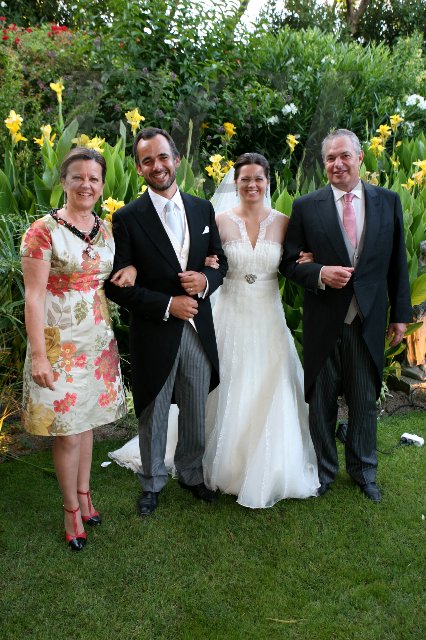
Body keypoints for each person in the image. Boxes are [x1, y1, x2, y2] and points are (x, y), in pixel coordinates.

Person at [110, 152, 319, 509]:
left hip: (268, 318)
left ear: (268, 181)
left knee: (269, 388)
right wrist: (203, 270)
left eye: (258, 178)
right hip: (228, 316)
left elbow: (293, 259)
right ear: (235, 182)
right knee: (212, 391)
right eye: (245, 178)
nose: (252, 184)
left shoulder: (285, 223)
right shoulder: (217, 219)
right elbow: (203, 258)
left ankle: (258, 464)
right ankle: (187, 468)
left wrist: (309, 258)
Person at [280, 129, 412, 503]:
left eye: (344, 156)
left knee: (363, 400)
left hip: (367, 319)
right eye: (330, 158)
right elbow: (288, 263)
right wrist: (320, 273)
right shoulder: (306, 206)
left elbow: (397, 264)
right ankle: (323, 472)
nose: (337, 164)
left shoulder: (387, 201)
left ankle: (364, 471)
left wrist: (400, 316)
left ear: (359, 158)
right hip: (323, 319)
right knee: (321, 401)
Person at [104, 127, 228, 517]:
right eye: (147, 161)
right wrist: (167, 304)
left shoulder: (203, 209)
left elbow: (220, 261)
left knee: (194, 407)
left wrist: (206, 280)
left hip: (198, 329)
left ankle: (191, 474)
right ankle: (152, 482)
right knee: (154, 409)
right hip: (155, 329)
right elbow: (117, 287)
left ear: (176, 159)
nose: (156, 166)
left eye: (162, 157)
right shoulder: (127, 218)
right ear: (139, 168)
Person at [21, 147, 133, 551]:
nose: (86, 185)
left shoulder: (107, 230)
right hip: (58, 345)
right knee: (67, 433)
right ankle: (71, 509)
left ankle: (85, 495)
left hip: (98, 340)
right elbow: (33, 296)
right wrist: (39, 355)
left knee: (87, 424)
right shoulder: (42, 231)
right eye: (78, 177)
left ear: (102, 185)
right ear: (64, 182)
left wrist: (132, 267)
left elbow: (121, 268)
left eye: (94, 178)